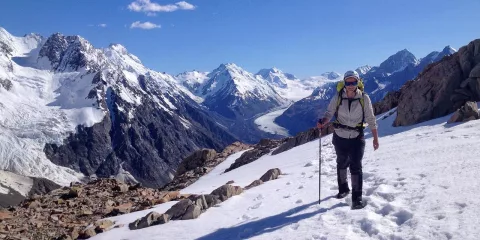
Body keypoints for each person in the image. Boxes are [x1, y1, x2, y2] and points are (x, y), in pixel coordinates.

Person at [317, 70, 379, 210]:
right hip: (340, 136)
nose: (350, 85)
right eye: (348, 82)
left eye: (353, 82)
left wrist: (375, 138)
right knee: (342, 162)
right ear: (344, 83)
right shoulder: (338, 97)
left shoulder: (364, 98)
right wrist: (324, 121)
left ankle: (357, 199)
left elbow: (371, 118)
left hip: (357, 137)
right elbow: (329, 113)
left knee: (356, 165)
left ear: (358, 82)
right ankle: (343, 189)